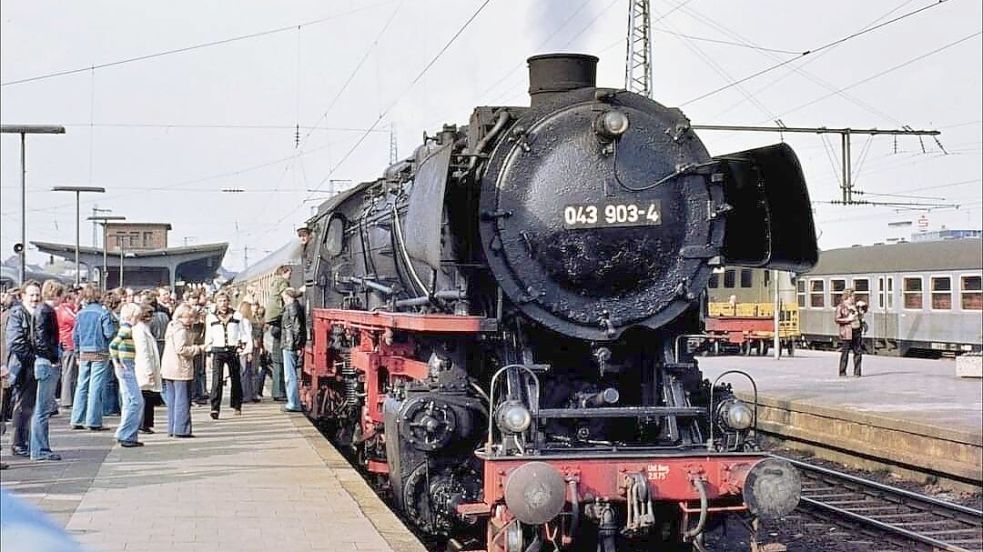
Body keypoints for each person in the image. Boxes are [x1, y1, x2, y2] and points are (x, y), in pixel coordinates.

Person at [70, 285, 116, 431]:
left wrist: (77, 352)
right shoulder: (103, 313)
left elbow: (75, 335)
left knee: (81, 385)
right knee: (96, 386)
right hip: (100, 351)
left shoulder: (80, 313)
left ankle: (77, 418)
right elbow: (109, 333)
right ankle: (93, 420)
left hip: (84, 351)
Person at [30, 280, 65, 461]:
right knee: (42, 409)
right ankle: (40, 449)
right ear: (57, 294)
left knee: (41, 409)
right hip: (46, 363)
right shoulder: (46, 311)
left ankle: (38, 448)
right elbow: (41, 340)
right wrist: (53, 359)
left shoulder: (41, 310)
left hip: (42, 361)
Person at [5, 281, 40, 458]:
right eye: (31, 294)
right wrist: (35, 357)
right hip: (22, 366)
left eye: (37, 294)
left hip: (34, 365)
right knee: (22, 405)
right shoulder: (18, 313)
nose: (35, 298)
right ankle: (18, 443)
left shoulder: (39, 313)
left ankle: (24, 440)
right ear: (23, 296)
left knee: (30, 405)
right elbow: (15, 342)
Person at [204, 291, 251, 419]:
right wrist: (208, 353)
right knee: (217, 380)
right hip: (217, 350)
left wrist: (242, 346)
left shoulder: (237, 316)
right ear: (216, 302)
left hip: (232, 350)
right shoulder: (211, 317)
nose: (223, 303)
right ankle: (215, 408)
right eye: (220, 301)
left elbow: (243, 333)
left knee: (236, 379)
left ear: (228, 302)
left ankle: (237, 405)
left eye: (225, 301)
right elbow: (209, 335)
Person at [161, 304, 205, 437]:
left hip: (169, 367)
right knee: (182, 400)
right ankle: (182, 430)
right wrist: (198, 349)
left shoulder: (172, 326)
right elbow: (181, 349)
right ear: (181, 316)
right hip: (180, 368)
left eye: (192, 317)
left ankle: (172, 428)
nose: (191, 319)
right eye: (189, 317)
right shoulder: (182, 330)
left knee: (173, 400)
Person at [109, 303, 143, 447]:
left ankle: (126, 434)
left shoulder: (124, 327)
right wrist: (116, 361)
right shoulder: (127, 328)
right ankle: (126, 433)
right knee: (136, 401)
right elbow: (113, 345)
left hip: (125, 364)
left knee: (129, 401)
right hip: (126, 364)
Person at [264, 265, 292, 402]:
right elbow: (286, 296)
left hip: (274, 320)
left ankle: (278, 391)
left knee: (277, 361)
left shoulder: (274, 281)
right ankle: (279, 392)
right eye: (289, 273)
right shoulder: (282, 282)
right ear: (284, 272)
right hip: (279, 319)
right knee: (279, 360)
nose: (291, 276)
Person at [133, 304, 162, 434]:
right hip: (143, 366)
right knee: (145, 396)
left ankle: (146, 423)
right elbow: (143, 352)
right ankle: (143, 424)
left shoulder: (144, 328)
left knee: (148, 395)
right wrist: (148, 370)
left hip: (147, 365)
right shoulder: (140, 330)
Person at [279, 288, 305, 413]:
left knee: (290, 376)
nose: (283, 298)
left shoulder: (292, 307)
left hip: (290, 344)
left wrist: (296, 345)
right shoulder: (292, 306)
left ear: (289, 296)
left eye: (284, 296)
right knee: (290, 375)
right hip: (290, 343)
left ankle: (293, 403)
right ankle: (293, 401)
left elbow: (297, 328)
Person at [101, 290, 122, 417]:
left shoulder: (112, 315)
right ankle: (109, 407)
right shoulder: (110, 317)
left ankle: (113, 406)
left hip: (111, 351)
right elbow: (111, 334)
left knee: (112, 380)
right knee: (109, 381)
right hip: (110, 351)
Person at [55, 290, 78, 410]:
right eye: (74, 299)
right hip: (69, 342)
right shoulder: (66, 311)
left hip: (63, 341)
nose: (76, 302)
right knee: (69, 372)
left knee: (66, 372)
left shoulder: (58, 310)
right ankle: (67, 399)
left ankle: (66, 398)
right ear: (68, 299)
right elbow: (76, 321)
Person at [835, 289, 864, 377]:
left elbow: (859, 317)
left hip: (856, 331)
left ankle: (857, 372)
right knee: (845, 352)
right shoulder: (841, 307)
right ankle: (842, 371)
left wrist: (861, 317)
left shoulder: (855, 306)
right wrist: (847, 319)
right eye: (852, 296)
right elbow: (837, 319)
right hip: (847, 332)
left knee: (858, 352)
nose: (854, 298)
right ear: (848, 296)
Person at [236, 300, 256, 405]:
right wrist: (250, 351)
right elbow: (248, 337)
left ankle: (243, 395)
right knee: (245, 373)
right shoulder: (246, 321)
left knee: (242, 373)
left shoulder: (237, 320)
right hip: (245, 349)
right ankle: (247, 395)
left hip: (240, 349)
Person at [251, 305, 267, 401]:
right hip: (252, 347)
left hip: (258, 347)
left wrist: (262, 346)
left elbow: (261, 334)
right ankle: (254, 393)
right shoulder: (250, 320)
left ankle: (256, 392)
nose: (256, 309)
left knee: (256, 370)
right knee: (253, 370)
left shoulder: (258, 318)